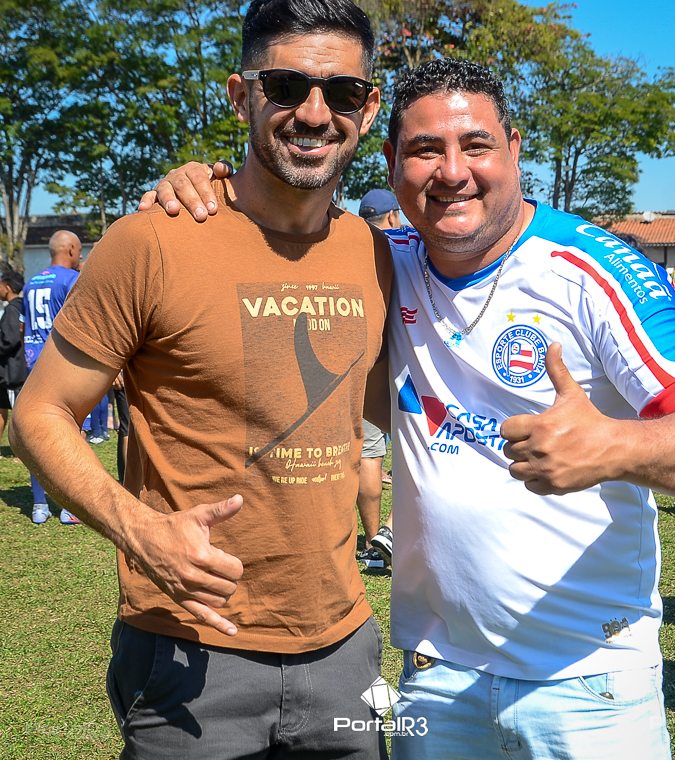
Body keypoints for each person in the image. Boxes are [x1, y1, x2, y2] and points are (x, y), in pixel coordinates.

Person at [147, 57, 675, 759]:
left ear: (513, 149)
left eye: (476, 145)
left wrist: (613, 447)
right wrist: (205, 184)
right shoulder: (379, 258)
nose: (452, 171)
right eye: (426, 149)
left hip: (588, 679)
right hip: (434, 676)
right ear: (392, 162)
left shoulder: (595, 268)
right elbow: (272, 222)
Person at [10, 2, 393, 758]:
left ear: (369, 107)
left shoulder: (376, 254)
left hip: (345, 649)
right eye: (286, 86)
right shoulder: (154, 239)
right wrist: (139, 530)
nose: (315, 114)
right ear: (241, 95)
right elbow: (38, 414)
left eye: (342, 92)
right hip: (191, 654)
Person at [20, 229, 81, 525]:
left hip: (34, 365)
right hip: (62, 365)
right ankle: (68, 507)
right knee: (71, 435)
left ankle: (39, 504)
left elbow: (23, 327)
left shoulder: (30, 283)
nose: (80, 256)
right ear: (70, 250)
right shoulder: (71, 280)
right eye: (79, 251)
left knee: (37, 434)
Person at [357, 188, 398, 566]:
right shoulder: (402, 251)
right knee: (424, 451)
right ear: (392, 216)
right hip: (402, 371)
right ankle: (389, 532)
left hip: (360, 367)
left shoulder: (352, 248)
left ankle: (375, 542)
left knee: (368, 455)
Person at [0, 268, 27, 443]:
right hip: (10, 372)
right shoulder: (22, 306)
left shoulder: (12, 310)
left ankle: (22, 449)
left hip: (13, 373)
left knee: (18, 414)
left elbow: (9, 339)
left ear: (7, 287)